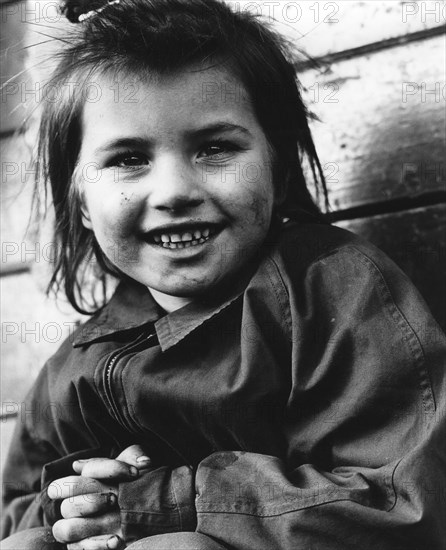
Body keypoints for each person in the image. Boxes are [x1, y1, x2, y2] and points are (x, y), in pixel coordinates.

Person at [2, 0, 445, 548]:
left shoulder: (335, 292)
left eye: (215, 149)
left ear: (278, 172)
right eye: (127, 159)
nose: (174, 192)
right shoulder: (82, 358)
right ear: (84, 206)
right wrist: (73, 501)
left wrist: (169, 506)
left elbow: (400, 504)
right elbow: (16, 506)